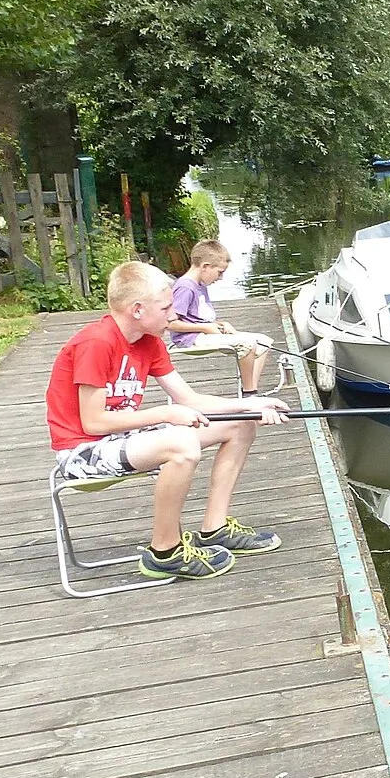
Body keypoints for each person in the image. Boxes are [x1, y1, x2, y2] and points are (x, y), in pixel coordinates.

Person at [47, 260, 290, 580]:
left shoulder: (150, 343)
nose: (173, 316)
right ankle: (164, 552)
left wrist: (250, 405)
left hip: (122, 440)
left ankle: (214, 528)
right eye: (165, 308)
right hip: (82, 452)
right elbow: (94, 424)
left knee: (238, 424)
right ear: (137, 309)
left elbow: (190, 400)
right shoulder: (96, 342)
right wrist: (166, 414)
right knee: (182, 443)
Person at [168, 239, 275, 394]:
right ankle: (250, 393)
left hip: (203, 334)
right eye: (220, 272)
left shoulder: (200, 285)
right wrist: (204, 327)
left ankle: (250, 390)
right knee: (247, 343)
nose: (220, 278)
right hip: (189, 339)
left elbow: (197, 318)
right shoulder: (185, 287)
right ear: (205, 266)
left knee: (264, 342)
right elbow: (170, 324)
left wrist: (221, 324)